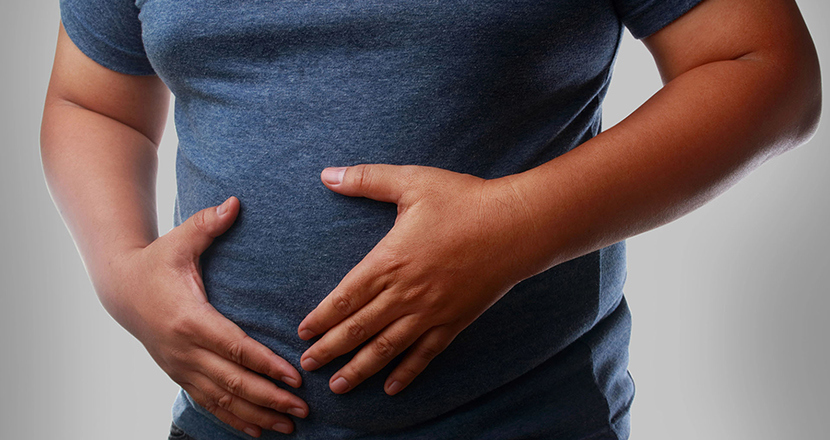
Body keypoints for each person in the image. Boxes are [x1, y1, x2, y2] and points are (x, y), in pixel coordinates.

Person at [40, 0, 820, 438]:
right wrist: (121, 274)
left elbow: (764, 67)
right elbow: (93, 103)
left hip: (525, 423)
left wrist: (519, 224)